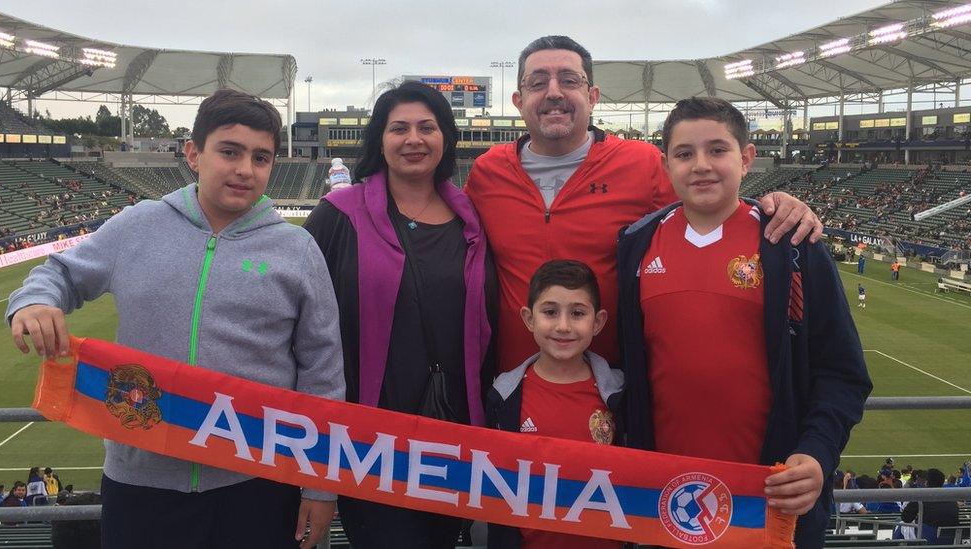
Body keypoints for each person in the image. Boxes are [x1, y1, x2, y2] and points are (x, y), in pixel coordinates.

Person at [6, 88, 345, 549]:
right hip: (141, 481)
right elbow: (59, 273)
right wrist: (34, 301)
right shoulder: (137, 225)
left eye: (261, 158)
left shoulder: (297, 249)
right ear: (193, 153)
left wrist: (320, 485)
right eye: (230, 152)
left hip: (258, 483)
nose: (245, 169)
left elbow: (322, 373)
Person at [465, 35, 823, 374]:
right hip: (511, 387)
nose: (554, 92)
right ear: (518, 100)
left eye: (569, 81)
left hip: (614, 389)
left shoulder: (643, 163)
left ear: (592, 96)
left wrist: (770, 205)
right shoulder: (486, 173)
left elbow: (709, 207)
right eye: (538, 82)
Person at [617, 97, 872, 548]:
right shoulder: (637, 244)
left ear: (746, 158)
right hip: (665, 502)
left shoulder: (792, 244)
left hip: (768, 499)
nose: (701, 166)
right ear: (665, 165)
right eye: (684, 153)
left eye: (717, 150)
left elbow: (843, 371)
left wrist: (817, 452)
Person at [302, 81, 496, 549]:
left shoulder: (472, 219)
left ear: (445, 138)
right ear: (380, 140)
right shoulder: (338, 214)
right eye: (399, 128)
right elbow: (294, 309)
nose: (414, 139)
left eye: (427, 127)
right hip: (370, 444)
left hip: (453, 436)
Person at [485, 260, 624, 549]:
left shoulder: (621, 396)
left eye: (577, 313)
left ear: (597, 322)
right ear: (528, 318)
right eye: (550, 312)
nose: (563, 326)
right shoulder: (503, 398)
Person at [901, 469, 960, 543]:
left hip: (927, 541)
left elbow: (905, 518)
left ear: (926, 482)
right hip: (949, 542)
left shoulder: (921, 497)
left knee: (901, 524)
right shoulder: (952, 500)